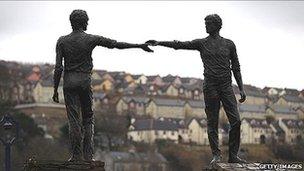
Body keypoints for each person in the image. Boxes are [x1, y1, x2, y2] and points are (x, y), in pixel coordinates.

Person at [52, 9, 153, 162]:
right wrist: (139, 45)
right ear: (83, 22)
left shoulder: (62, 41)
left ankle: (76, 156)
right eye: (87, 20)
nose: (88, 23)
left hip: (69, 83)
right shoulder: (91, 39)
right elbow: (116, 44)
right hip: (84, 82)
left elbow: (58, 67)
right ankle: (88, 155)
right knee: (88, 118)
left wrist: (55, 89)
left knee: (73, 120)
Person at [146, 14, 247, 164]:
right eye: (205, 23)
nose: (205, 26)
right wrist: (160, 42)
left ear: (217, 25)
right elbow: (179, 45)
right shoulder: (202, 43)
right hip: (210, 86)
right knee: (212, 122)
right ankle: (216, 155)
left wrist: (241, 88)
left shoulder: (229, 44)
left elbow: (236, 67)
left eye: (208, 23)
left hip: (226, 86)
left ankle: (233, 155)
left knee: (236, 121)